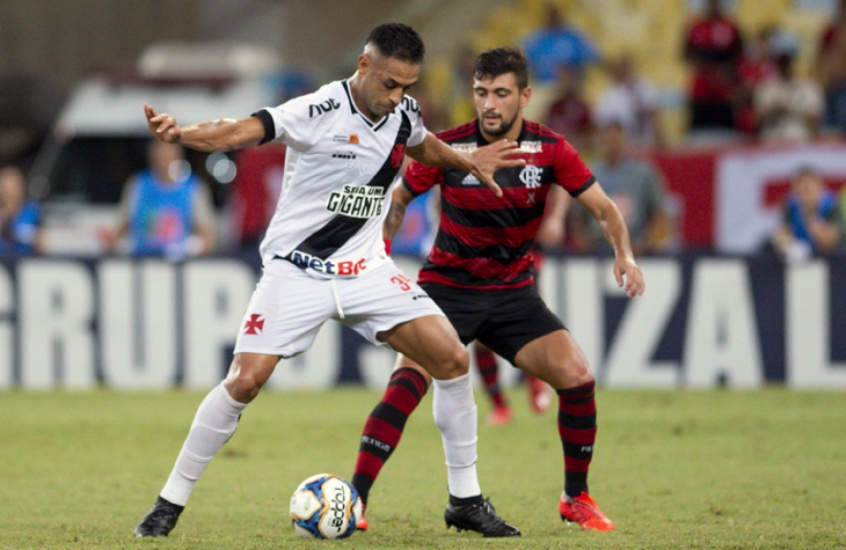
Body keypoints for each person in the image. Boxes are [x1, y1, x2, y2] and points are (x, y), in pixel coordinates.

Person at [133, 23, 525, 539]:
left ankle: (466, 501)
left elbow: (423, 145)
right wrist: (182, 135)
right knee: (245, 381)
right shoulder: (317, 110)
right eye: (389, 83)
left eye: (407, 86)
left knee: (452, 358)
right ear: (363, 66)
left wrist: (467, 162)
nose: (397, 96)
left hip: (365, 270)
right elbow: (237, 131)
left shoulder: (401, 111)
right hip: (298, 270)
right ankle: (168, 505)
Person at [351, 46, 644, 533]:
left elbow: (604, 208)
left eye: (501, 94)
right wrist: (380, 252)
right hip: (446, 289)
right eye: (481, 92)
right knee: (407, 383)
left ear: (524, 97)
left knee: (577, 377)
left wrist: (625, 254)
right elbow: (399, 198)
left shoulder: (550, 148)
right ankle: (355, 498)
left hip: (513, 294)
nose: (489, 104)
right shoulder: (447, 146)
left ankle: (575, 498)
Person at [569, 120, 671, 256]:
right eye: (608, 138)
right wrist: (583, 242)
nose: (612, 143)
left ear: (625, 139)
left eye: (616, 138)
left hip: (634, 247)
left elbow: (659, 213)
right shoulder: (590, 173)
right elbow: (577, 216)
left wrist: (647, 243)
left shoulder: (643, 173)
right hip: (597, 249)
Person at [104, 140, 216, 258]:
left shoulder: (193, 188)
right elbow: (123, 223)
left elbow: (207, 235)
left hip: (177, 263)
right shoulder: (138, 184)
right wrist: (112, 239)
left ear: (179, 156)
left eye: (169, 155)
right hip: (140, 260)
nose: (164, 161)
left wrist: (191, 247)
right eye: (160, 155)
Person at [682, 0, 743, 134]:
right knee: (698, 133)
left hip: (724, 90)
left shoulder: (730, 27)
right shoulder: (695, 27)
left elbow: (739, 56)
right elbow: (686, 54)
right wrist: (700, 67)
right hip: (702, 89)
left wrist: (728, 72)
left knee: (727, 133)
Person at [754, 32, 825, 144]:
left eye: (787, 60)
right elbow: (757, 119)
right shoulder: (766, 86)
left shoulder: (808, 87)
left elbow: (815, 121)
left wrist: (792, 108)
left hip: (799, 144)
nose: (784, 64)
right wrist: (775, 108)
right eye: (781, 60)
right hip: (772, 143)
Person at [771, 166, 842, 262]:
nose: (806, 193)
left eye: (809, 188)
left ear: (819, 186)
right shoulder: (791, 206)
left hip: (833, 260)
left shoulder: (832, 205)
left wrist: (809, 214)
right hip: (801, 260)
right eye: (803, 189)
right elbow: (781, 235)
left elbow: (828, 242)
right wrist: (790, 246)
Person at [0, 165, 43, 255]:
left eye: (12, 185)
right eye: (4, 185)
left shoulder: (32, 210)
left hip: (25, 262)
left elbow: (42, 242)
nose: (8, 190)